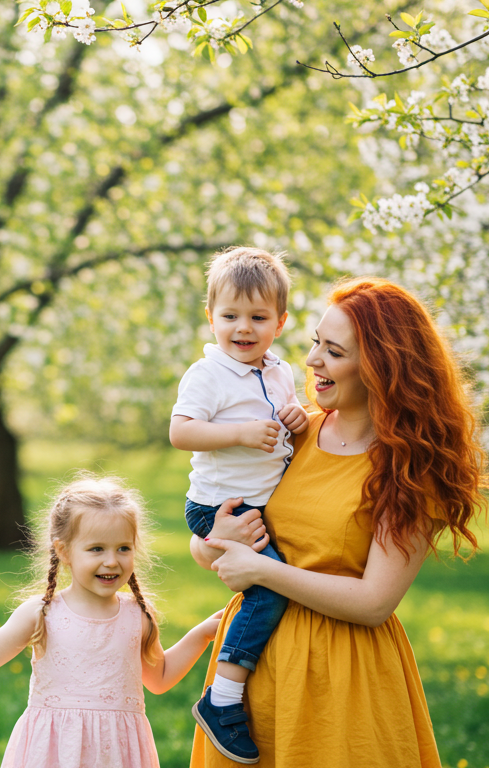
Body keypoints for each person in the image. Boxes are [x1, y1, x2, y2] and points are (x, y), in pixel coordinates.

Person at [191, 277, 488, 768]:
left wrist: (262, 572)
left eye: (333, 351)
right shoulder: (293, 435)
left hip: (343, 675)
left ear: (380, 367)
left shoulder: (409, 470)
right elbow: (213, 548)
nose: (311, 362)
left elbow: (374, 602)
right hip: (253, 673)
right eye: (314, 344)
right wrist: (213, 543)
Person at [0, 476, 225, 768]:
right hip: (54, 750)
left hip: (119, 753)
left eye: (123, 548)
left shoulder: (138, 614)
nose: (112, 560)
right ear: (63, 551)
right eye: (96, 549)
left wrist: (202, 633)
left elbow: (160, 678)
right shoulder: (43, 613)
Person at [168, 246, 309, 764]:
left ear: (280, 322)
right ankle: (222, 699)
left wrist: (296, 418)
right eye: (229, 316)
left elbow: (285, 417)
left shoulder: (280, 372)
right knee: (269, 591)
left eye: (257, 317)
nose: (242, 328)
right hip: (218, 508)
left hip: (260, 507)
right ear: (211, 318)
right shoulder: (207, 375)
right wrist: (239, 433)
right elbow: (180, 432)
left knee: (269, 586)